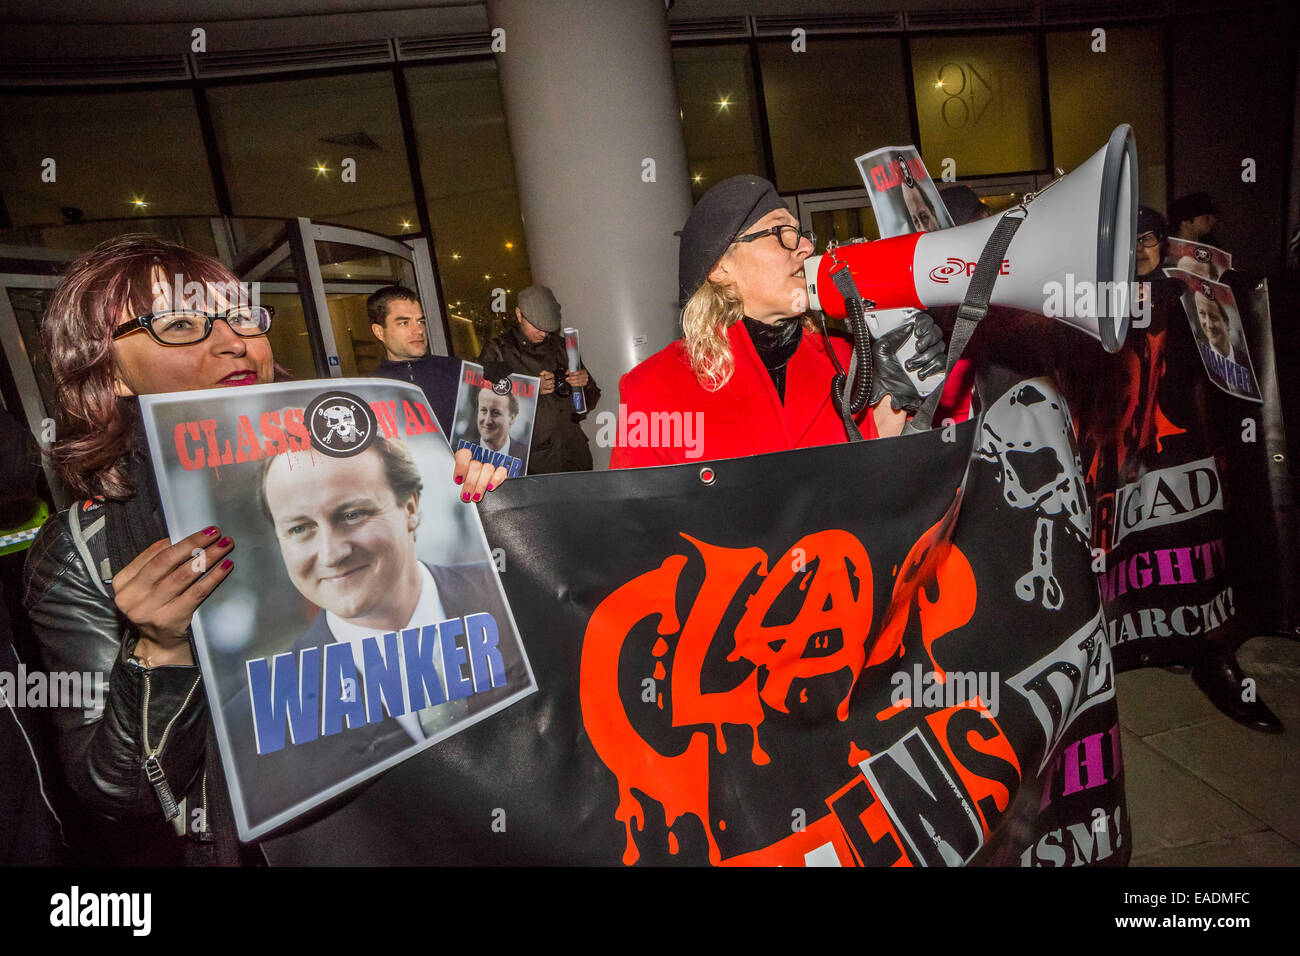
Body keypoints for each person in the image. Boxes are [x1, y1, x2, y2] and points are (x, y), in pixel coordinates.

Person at [21, 235, 498, 864]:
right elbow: (119, 790)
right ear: (108, 368)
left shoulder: (353, 447)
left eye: (241, 315)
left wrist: (484, 505)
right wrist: (159, 653)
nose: (233, 341)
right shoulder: (81, 549)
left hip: (451, 817)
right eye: (181, 324)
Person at [227, 438, 516, 823]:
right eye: (299, 529)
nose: (331, 554)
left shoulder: (515, 599)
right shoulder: (249, 727)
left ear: (410, 507)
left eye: (351, 515)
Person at [611, 175, 946, 468]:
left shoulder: (848, 358)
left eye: (800, 233)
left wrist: (899, 402)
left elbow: (882, 483)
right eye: (782, 231)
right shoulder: (652, 389)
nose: (804, 246)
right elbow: (638, 525)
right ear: (720, 267)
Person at [476, 285, 600, 474]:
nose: (543, 333)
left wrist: (585, 384)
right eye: (537, 326)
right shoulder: (499, 351)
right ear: (519, 315)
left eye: (548, 329)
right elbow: (482, 406)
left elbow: (589, 402)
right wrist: (530, 388)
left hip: (574, 456)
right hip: (533, 463)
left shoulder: (562, 346)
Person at [367, 286, 460, 433]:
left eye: (420, 321)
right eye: (404, 323)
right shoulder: (370, 389)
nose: (419, 330)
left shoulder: (456, 371)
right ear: (379, 331)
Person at [474, 385, 530, 468]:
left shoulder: (526, 456)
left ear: (512, 418)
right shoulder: (458, 449)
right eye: (483, 410)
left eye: (496, 413)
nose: (487, 421)